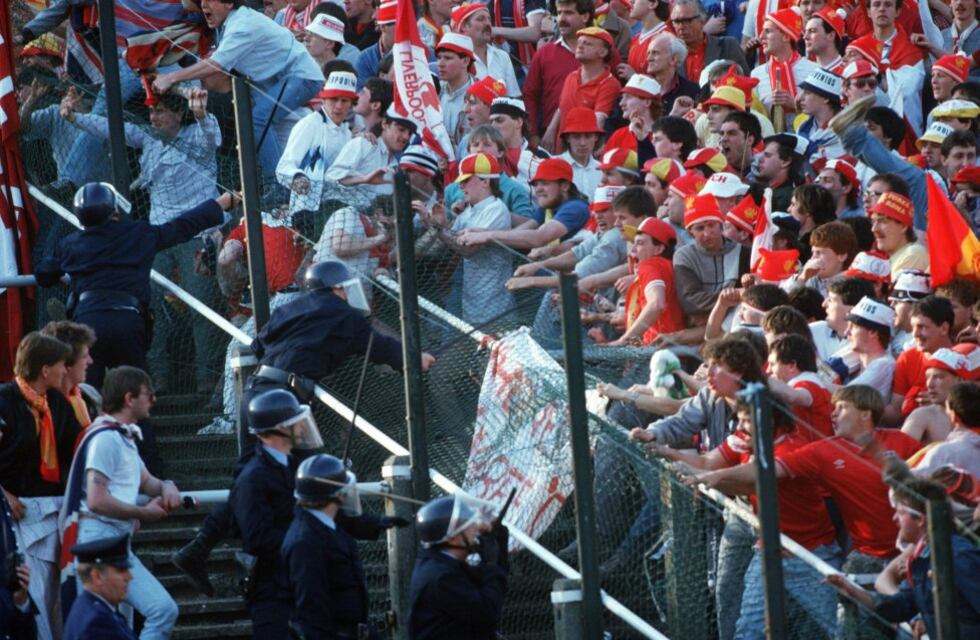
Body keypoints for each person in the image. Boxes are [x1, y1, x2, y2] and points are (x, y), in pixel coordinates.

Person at [172, 261, 433, 595]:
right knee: (312, 476)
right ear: (336, 288)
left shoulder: (289, 308)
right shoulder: (345, 316)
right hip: (285, 404)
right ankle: (293, 553)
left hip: (256, 393)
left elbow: (259, 346)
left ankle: (200, 548)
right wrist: (417, 357)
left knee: (250, 479)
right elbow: (382, 349)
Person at [34, 184, 235, 388]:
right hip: (128, 320)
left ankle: (91, 417)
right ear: (114, 211)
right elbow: (181, 227)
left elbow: (44, 275)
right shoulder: (137, 233)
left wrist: (60, 272)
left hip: (87, 322)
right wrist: (221, 204)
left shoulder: (70, 244)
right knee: (133, 393)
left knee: (87, 393)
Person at [62, 366, 182, 640]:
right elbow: (96, 500)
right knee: (162, 610)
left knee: (117, 628)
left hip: (115, 540)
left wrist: (166, 485)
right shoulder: (106, 439)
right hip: (99, 541)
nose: (153, 400)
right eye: (148, 395)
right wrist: (144, 512)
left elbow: (147, 481)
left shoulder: (122, 436)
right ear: (130, 399)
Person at [151, 0, 324, 181]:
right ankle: (279, 181)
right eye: (202, 1)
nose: (204, 5)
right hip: (277, 80)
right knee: (258, 120)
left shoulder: (242, 24)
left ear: (229, 4)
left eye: (210, 0)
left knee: (258, 119)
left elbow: (217, 64)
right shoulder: (227, 23)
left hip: (301, 75)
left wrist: (171, 78)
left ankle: (279, 184)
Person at [827, 476, 980, 640]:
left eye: (900, 513)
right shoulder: (921, 557)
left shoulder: (957, 556)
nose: (894, 519)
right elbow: (901, 606)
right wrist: (853, 592)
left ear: (920, 519)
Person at [0, 332, 79, 640]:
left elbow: (77, 449)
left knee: (56, 599)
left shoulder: (59, 403)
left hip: (55, 513)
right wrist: (3, 495)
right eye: (62, 365)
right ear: (45, 369)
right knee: (33, 598)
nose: (66, 371)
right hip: (16, 517)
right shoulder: (5, 401)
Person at [281, 453, 408, 638]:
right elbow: (311, 611)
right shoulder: (305, 543)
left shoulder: (321, 522)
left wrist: (380, 521)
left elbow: (348, 521)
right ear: (337, 495)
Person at [408, 494, 509, 639]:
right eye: (469, 526)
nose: (476, 529)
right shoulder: (440, 577)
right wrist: (491, 564)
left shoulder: (441, 563)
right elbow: (487, 611)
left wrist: (498, 540)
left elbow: (495, 581)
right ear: (454, 537)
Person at [276, 71, 357, 215]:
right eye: (333, 99)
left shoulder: (347, 134)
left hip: (336, 208)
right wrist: (297, 177)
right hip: (306, 212)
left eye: (344, 101)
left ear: (351, 105)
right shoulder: (309, 124)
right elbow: (284, 166)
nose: (338, 106)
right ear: (323, 100)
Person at [750, 9, 820, 131]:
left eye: (768, 31)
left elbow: (823, 113)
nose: (761, 37)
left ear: (786, 36)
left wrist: (795, 105)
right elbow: (754, 118)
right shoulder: (757, 74)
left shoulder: (813, 70)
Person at [62, 533, 136, 640]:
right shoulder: (98, 622)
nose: (129, 577)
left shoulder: (88, 606)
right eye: (121, 570)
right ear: (97, 576)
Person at [41, 321, 99, 431]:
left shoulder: (89, 397)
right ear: (66, 363)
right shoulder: (41, 407)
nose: (90, 361)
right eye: (85, 356)